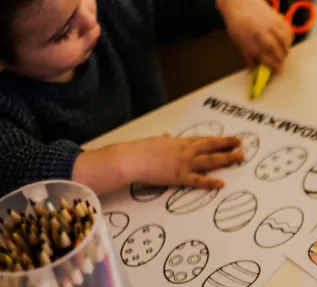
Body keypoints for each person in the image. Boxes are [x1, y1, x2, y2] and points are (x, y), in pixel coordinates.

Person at [0, 0, 294, 196]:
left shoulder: (114, 7)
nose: (90, 20)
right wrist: (131, 162)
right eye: (63, 32)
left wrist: (233, 4)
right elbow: (15, 173)